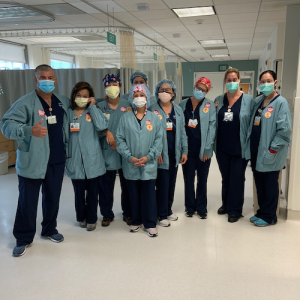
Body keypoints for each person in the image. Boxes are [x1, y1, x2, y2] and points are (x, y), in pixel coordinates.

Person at [0, 64, 70, 257]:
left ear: (55, 80)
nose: (47, 80)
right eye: (43, 77)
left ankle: (49, 229)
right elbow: (6, 125)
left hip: (56, 159)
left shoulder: (61, 101)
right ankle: (23, 238)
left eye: (50, 77)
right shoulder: (25, 103)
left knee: (52, 198)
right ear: (35, 79)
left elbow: (79, 106)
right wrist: (29, 130)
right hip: (32, 160)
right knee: (27, 201)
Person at [116, 84, 163, 237]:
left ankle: (150, 223)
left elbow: (159, 140)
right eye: (135, 95)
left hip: (148, 163)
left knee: (149, 193)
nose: (138, 98)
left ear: (147, 97)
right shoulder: (125, 118)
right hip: (131, 164)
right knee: (133, 194)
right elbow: (120, 139)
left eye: (141, 95)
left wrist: (149, 156)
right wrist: (130, 157)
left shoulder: (154, 118)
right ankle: (136, 220)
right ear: (131, 98)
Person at [246, 70, 291, 227]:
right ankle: (261, 212)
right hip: (257, 152)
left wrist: (273, 149)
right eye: (263, 82)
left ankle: (270, 216)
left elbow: (284, 130)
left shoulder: (281, 103)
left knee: (270, 185)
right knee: (260, 184)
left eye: (269, 81)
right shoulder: (259, 101)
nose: (265, 84)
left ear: (275, 83)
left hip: (271, 152)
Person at [66, 82, 108, 231]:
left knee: (92, 193)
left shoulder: (93, 112)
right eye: (79, 95)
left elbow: (103, 126)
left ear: (90, 98)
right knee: (78, 193)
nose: (82, 98)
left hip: (92, 159)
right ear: (74, 96)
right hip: (74, 159)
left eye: (85, 96)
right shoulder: (69, 112)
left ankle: (91, 218)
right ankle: (81, 217)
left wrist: (93, 107)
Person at [214, 68, 254, 223]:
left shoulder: (249, 100)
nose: (231, 82)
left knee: (237, 178)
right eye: (229, 80)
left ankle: (235, 210)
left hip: (240, 147)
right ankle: (226, 204)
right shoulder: (218, 99)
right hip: (222, 147)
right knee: (226, 177)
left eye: (234, 79)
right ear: (225, 81)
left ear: (239, 81)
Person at [149, 79, 188, 226]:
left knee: (171, 183)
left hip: (174, 152)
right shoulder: (152, 109)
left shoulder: (177, 110)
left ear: (173, 93)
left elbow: (183, 131)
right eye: (162, 90)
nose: (165, 93)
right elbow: (150, 134)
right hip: (160, 154)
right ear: (157, 92)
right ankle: (161, 214)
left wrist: (184, 150)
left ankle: (168, 210)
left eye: (168, 90)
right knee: (162, 184)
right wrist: (156, 152)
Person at [97, 74, 132, 227]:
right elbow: (95, 128)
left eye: (115, 84)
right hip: (107, 152)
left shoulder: (129, 105)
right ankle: (106, 214)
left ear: (120, 86)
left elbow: (134, 128)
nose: (112, 87)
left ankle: (128, 213)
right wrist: (105, 133)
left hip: (125, 152)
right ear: (105, 87)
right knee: (105, 186)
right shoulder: (99, 107)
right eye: (109, 84)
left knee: (127, 185)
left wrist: (122, 143)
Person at [179, 77, 216, 219]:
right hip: (187, 150)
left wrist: (207, 149)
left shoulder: (209, 105)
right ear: (194, 86)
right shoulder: (183, 104)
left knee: (202, 179)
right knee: (188, 179)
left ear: (207, 91)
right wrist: (183, 150)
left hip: (203, 150)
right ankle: (189, 207)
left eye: (203, 90)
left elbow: (212, 128)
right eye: (198, 88)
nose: (200, 91)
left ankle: (201, 207)